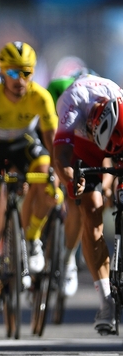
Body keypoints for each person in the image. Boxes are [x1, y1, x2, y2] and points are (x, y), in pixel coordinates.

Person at [0, 41, 57, 313]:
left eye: (26, 73)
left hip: (23, 145)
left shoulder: (41, 97)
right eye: (13, 73)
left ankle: (32, 237)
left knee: (46, 176)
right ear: (2, 74)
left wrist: (58, 178)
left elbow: (53, 143)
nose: (20, 80)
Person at [51, 73, 123, 334]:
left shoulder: (119, 98)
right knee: (91, 215)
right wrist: (72, 181)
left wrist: (113, 182)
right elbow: (60, 158)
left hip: (116, 142)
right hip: (82, 149)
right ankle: (106, 302)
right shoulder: (72, 104)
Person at [46, 75, 81, 298]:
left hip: (71, 156)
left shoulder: (77, 118)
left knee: (77, 203)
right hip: (48, 157)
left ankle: (69, 258)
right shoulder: (44, 117)